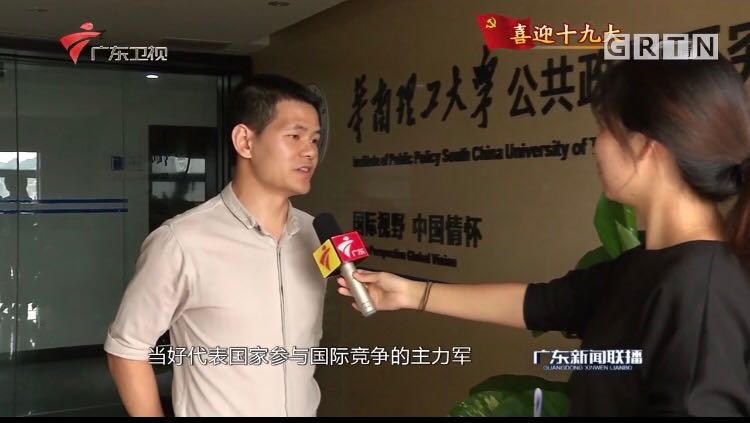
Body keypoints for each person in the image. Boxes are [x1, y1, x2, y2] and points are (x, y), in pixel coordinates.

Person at [337, 54, 750, 416]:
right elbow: (540, 303)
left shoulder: (701, 289)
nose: (596, 146)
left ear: (645, 145)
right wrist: (410, 294)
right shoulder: (648, 266)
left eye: (603, 129)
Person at [105, 74, 327, 417]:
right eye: (294, 136)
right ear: (245, 142)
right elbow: (127, 348)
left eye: (314, 139)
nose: (310, 151)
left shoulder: (316, 235)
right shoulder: (181, 241)